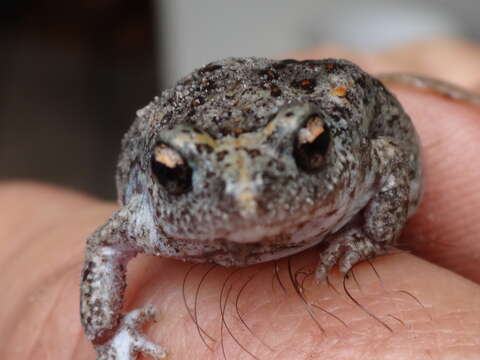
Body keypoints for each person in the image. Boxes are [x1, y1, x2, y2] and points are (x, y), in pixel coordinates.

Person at [1, 40, 479, 359]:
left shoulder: (352, 155)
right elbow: (105, 246)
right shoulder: (146, 218)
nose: (247, 195)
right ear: (159, 175)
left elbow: (390, 153)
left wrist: (372, 235)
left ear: (324, 146)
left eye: (308, 148)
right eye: (176, 172)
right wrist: (105, 335)